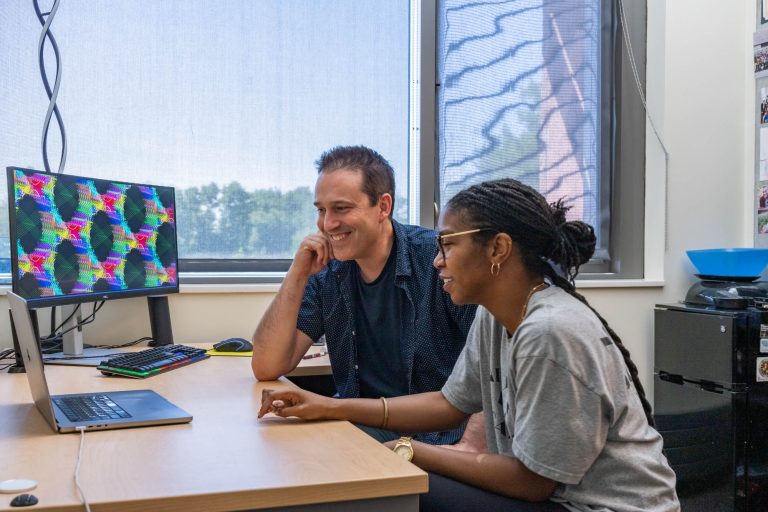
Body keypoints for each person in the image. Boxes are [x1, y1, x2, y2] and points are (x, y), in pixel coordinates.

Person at [258, 178, 681, 512]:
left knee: (392, 491)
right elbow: (449, 403)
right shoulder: (496, 315)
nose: (438, 259)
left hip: (593, 506)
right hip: (551, 495)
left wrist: (408, 449)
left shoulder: (549, 332)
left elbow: (531, 482)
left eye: (448, 245)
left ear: (498, 248)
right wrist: (331, 407)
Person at [251, 145, 481, 447]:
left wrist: (471, 449)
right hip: (358, 420)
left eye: (341, 208)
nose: (327, 223)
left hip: (432, 435)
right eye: (321, 210)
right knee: (274, 447)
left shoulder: (438, 261)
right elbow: (266, 366)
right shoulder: (327, 272)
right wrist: (296, 275)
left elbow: (490, 367)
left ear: (383, 207)